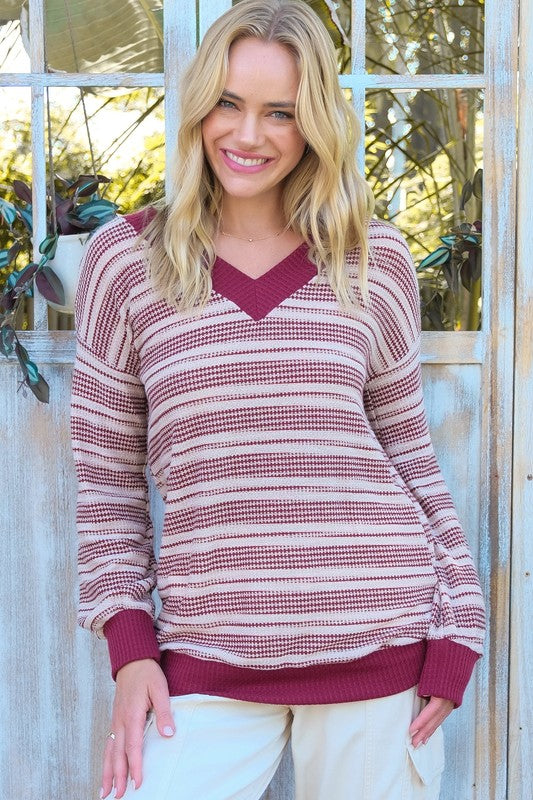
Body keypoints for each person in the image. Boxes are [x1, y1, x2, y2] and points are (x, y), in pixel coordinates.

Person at [70, 1, 486, 798]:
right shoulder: (126, 261)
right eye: (228, 103)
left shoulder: (373, 259)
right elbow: (106, 484)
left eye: (279, 113)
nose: (247, 134)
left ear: (314, 125)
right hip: (204, 654)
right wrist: (130, 649)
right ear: (197, 108)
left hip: (379, 646)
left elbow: (409, 459)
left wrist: (457, 626)